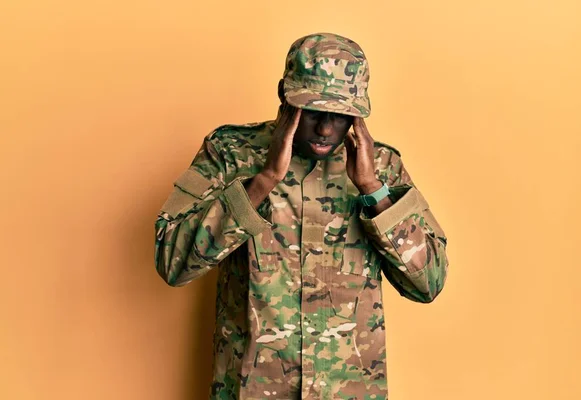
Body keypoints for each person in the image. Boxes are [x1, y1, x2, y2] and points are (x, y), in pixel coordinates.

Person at [154, 32, 449, 400]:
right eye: (312, 111)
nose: (326, 128)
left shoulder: (382, 167)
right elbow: (171, 262)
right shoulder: (230, 154)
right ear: (284, 95)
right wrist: (261, 183)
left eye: (340, 115)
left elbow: (429, 282)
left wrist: (373, 190)